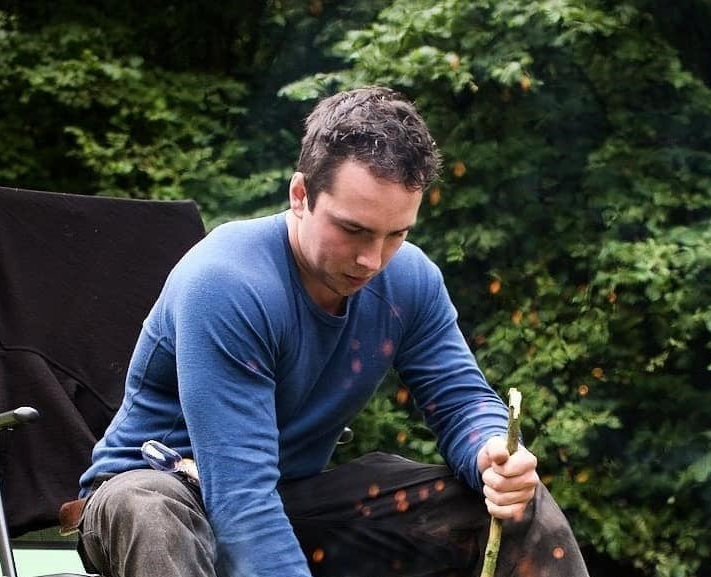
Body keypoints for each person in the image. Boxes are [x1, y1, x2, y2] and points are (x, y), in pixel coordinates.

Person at [76, 86, 591, 577]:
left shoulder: (410, 280)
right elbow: (240, 499)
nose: (372, 260)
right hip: (161, 497)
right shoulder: (228, 282)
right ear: (300, 195)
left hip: (288, 497)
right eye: (353, 230)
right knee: (148, 510)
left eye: (396, 234)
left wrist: (490, 454)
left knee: (513, 506)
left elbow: (461, 403)